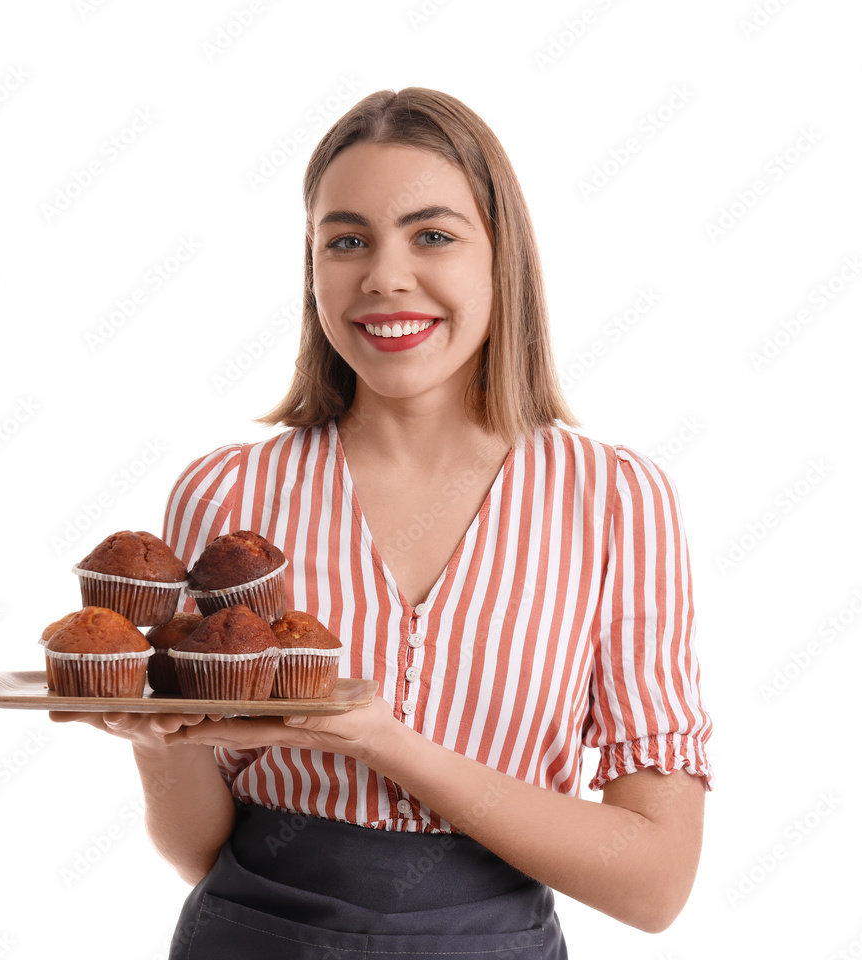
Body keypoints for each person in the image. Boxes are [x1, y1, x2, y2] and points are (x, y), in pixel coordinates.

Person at [52, 87, 713, 959]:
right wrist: (155, 740)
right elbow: (199, 851)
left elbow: (655, 883)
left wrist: (387, 745)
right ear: (312, 266)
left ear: (500, 257)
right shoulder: (224, 497)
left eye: (432, 235)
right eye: (347, 240)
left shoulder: (616, 500)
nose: (384, 276)